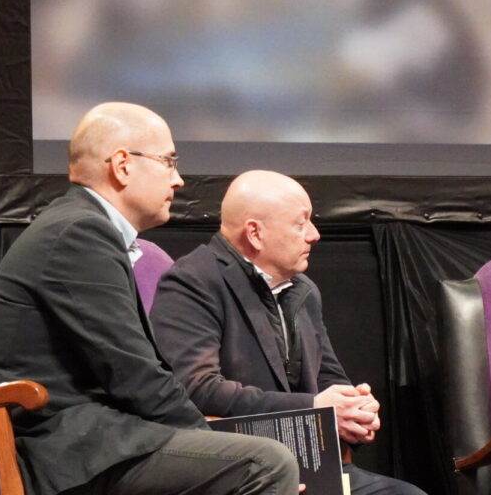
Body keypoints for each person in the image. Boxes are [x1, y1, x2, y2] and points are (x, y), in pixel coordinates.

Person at [0, 103, 299, 495]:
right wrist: (213, 442)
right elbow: (133, 373)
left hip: (87, 442)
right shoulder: (78, 233)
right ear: (122, 165)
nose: (180, 180)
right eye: (169, 161)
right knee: (265, 464)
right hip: (56, 453)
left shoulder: (81, 227)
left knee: (252, 457)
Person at [150, 170, 427, 495]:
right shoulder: (193, 281)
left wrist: (355, 410)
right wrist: (312, 406)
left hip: (313, 463)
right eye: (301, 223)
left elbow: (329, 378)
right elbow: (195, 389)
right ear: (255, 233)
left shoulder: (303, 290)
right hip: (242, 468)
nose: (314, 235)